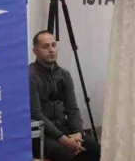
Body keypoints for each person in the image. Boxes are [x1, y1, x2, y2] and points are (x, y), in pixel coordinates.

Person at [29, 30, 101, 161]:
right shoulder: (30, 75)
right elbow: (37, 114)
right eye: (45, 47)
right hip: (43, 133)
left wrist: (78, 133)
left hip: (64, 127)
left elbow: (72, 109)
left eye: (53, 45)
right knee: (64, 154)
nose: (51, 50)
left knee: (96, 150)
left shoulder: (64, 74)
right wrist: (63, 140)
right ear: (35, 51)